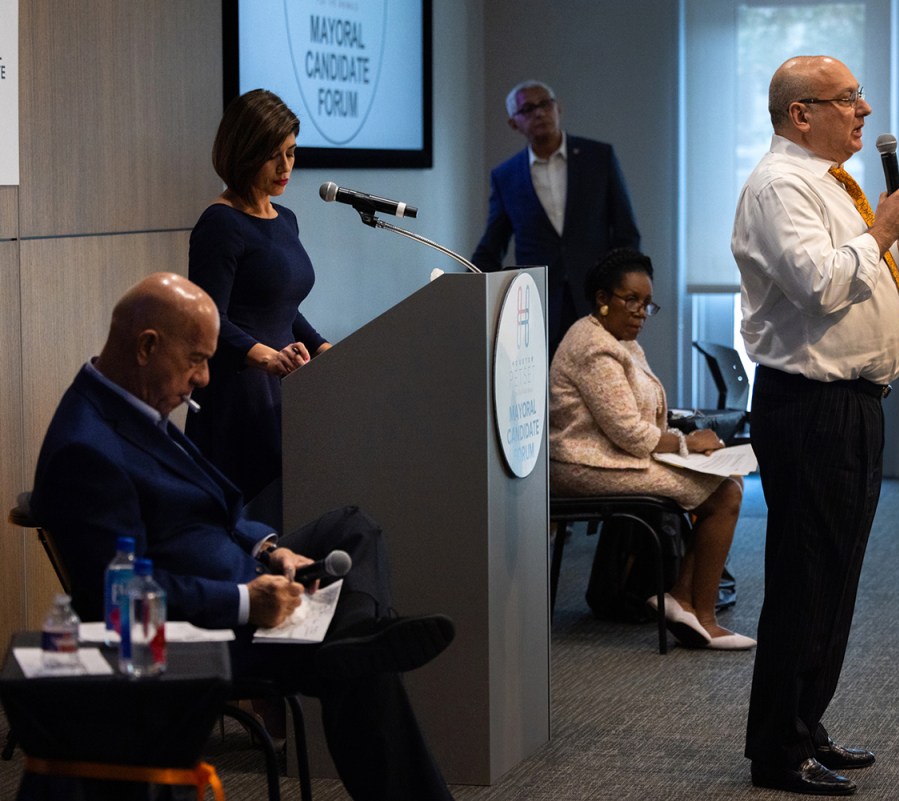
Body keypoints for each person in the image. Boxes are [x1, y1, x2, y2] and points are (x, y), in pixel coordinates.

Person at [31, 272, 457, 800]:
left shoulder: (132, 402)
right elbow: (116, 597)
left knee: (353, 526)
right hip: (197, 632)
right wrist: (243, 602)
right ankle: (350, 642)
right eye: (197, 359)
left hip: (243, 572)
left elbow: (220, 508)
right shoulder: (86, 448)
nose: (206, 377)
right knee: (365, 673)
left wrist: (267, 547)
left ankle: (350, 636)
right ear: (147, 347)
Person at [731, 56, 899, 796]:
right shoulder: (778, 185)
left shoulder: (826, 184)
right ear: (802, 113)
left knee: (834, 576)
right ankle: (778, 749)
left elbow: (860, 282)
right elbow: (822, 285)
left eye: (860, 98)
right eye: (847, 99)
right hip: (809, 406)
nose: (862, 111)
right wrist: (882, 228)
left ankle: (805, 725)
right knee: (806, 577)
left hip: (852, 404)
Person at [548, 248, 754, 650]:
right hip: (583, 464)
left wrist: (681, 444)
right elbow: (629, 432)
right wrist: (685, 443)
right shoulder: (593, 346)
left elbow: (639, 421)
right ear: (602, 299)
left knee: (726, 483)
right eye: (631, 300)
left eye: (647, 304)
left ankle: (683, 601)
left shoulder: (621, 340)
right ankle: (702, 616)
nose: (641, 312)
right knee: (725, 493)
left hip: (612, 456)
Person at [186, 89, 331, 524]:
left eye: (291, 153)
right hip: (239, 395)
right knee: (250, 525)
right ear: (244, 153)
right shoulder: (220, 224)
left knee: (290, 518)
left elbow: (281, 308)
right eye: (273, 156)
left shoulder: (285, 219)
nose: (286, 167)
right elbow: (208, 320)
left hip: (285, 388)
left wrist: (324, 349)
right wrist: (267, 357)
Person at [471, 80, 641, 354]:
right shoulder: (506, 176)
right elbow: (493, 244)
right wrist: (462, 285)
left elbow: (626, 232)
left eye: (545, 104)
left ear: (558, 109)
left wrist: (625, 293)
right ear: (514, 124)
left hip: (597, 299)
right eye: (527, 109)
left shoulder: (598, 158)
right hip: (539, 306)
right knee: (547, 390)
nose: (539, 113)